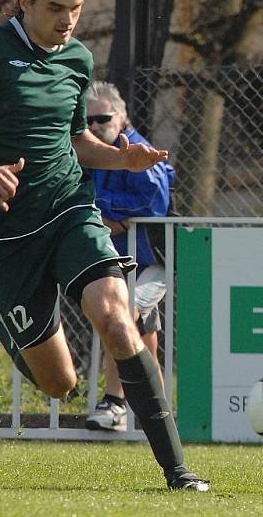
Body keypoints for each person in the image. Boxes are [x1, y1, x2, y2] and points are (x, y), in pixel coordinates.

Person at [0, 0, 208, 491]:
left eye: (75, 6)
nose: (68, 19)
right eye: (54, 7)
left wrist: (121, 158)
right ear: (22, 1)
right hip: (1, 234)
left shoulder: (78, 59)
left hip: (69, 209)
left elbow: (76, 140)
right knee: (59, 383)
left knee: (118, 320)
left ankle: (178, 470)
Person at [82, 80, 176, 433]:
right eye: (88, 120)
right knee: (143, 333)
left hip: (152, 262)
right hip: (118, 261)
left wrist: (105, 212)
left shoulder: (138, 150)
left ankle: (115, 403)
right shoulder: (92, 153)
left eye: (102, 118)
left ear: (121, 117)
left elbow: (153, 203)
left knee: (121, 318)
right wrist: (104, 215)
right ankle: (159, 411)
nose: (94, 126)